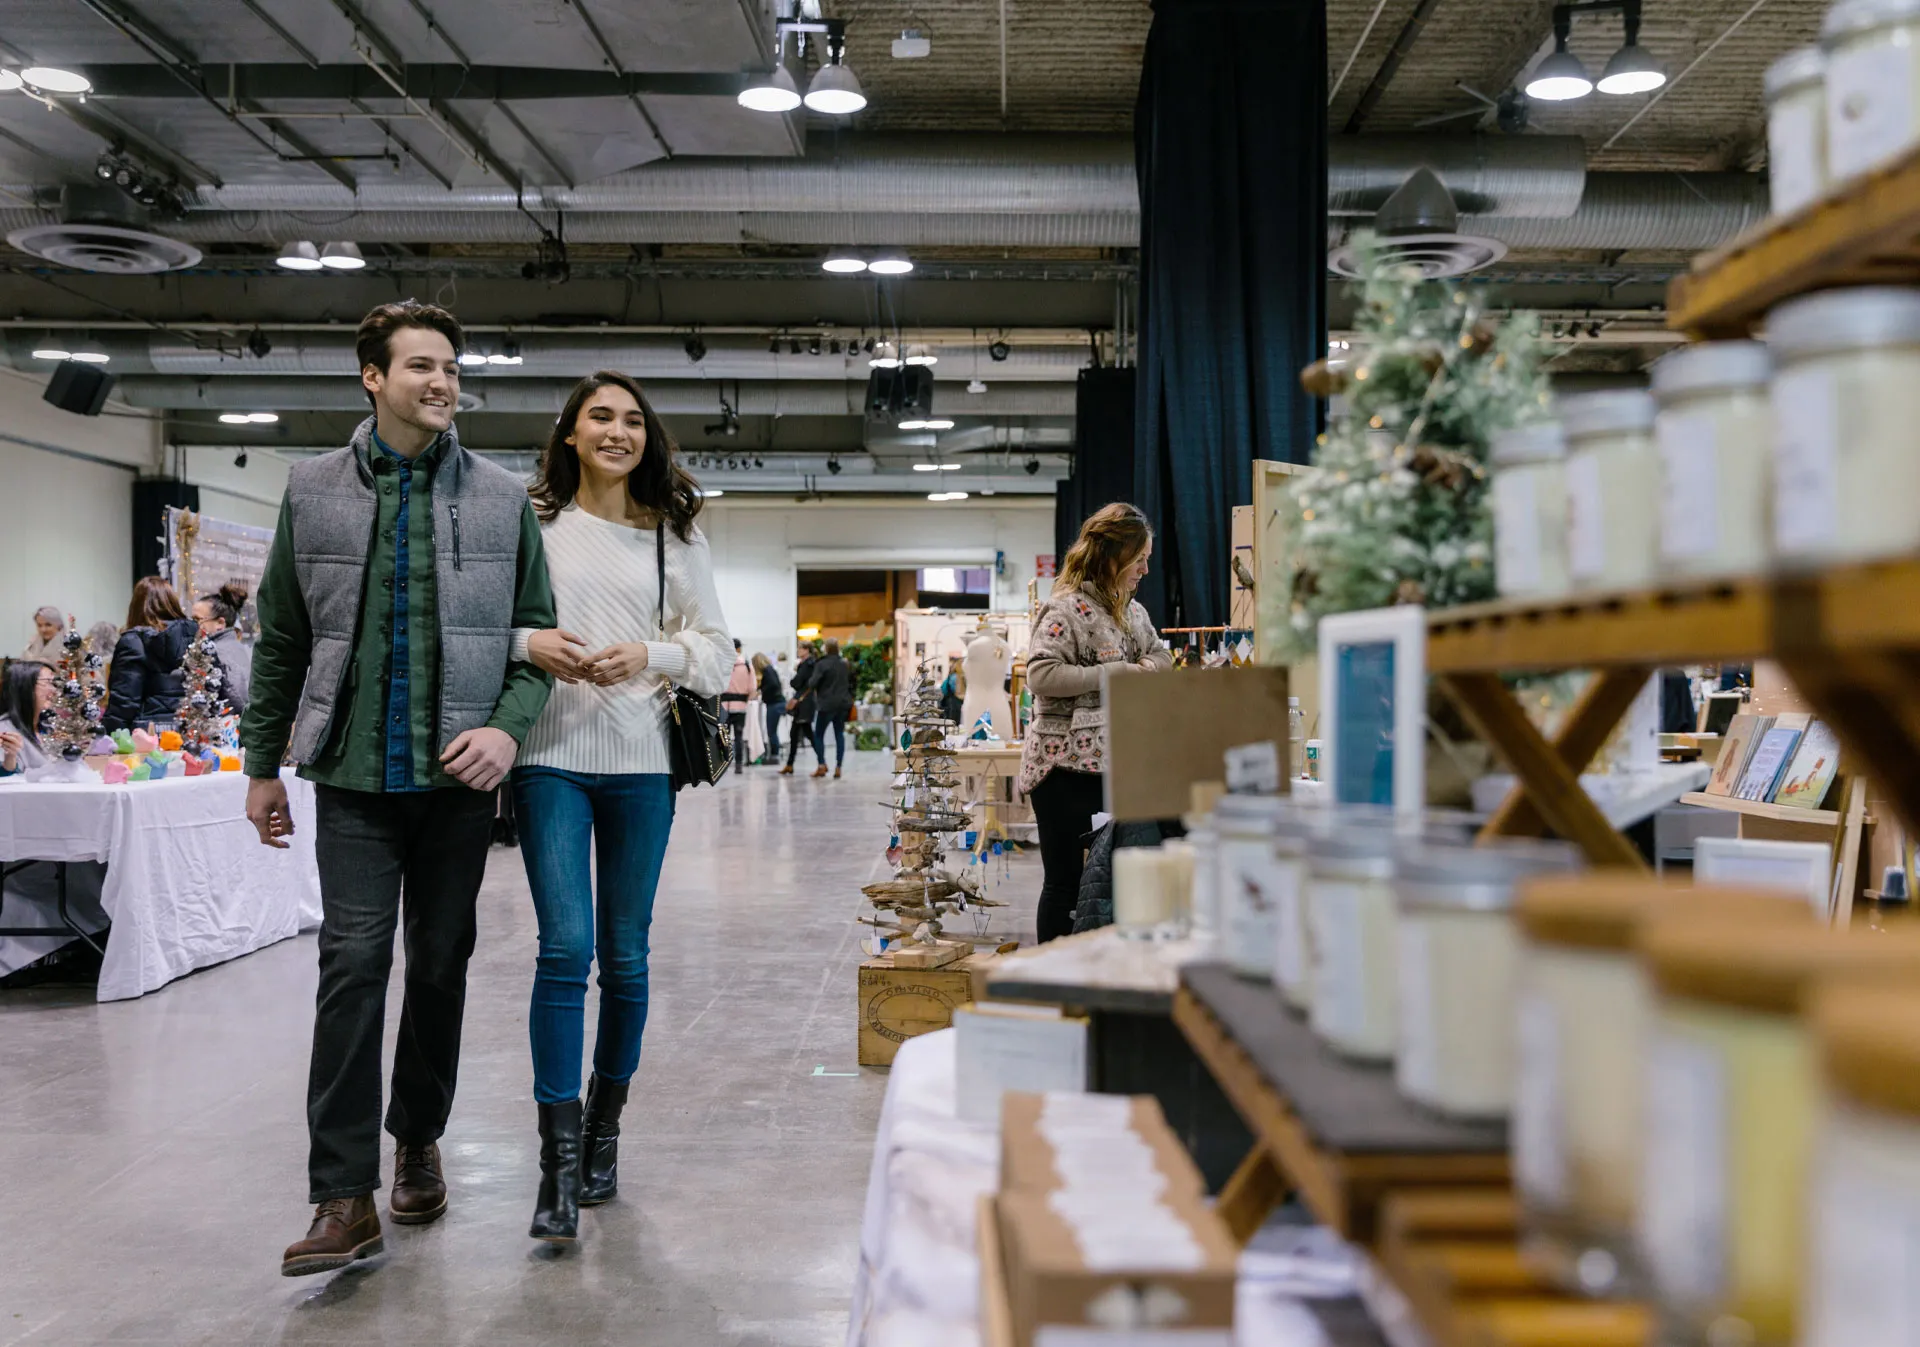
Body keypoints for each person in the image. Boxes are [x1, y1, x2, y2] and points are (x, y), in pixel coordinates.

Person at [240, 299, 557, 1278]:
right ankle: (343, 1196)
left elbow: (535, 641)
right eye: (422, 366)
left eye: (452, 369)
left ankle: (417, 1135)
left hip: (458, 786)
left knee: (440, 961)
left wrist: (507, 731)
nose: (442, 383)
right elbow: (284, 637)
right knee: (352, 965)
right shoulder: (313, 490)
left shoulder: (504, 501)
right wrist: (261, 765)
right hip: (354, 778)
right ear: (371, 377)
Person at [512, 370, 731, 1243]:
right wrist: (533, 642)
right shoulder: (533, 524)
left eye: (633, 419)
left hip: (643, 765)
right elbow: (488, 623)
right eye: (599, 416)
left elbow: (717, 655)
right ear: (569, 432)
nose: (617, 430)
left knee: (626, 958)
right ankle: (556, 1166)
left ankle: (604, 1133)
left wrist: (651, 652)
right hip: (549, 758)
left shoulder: (676, 536)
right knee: (565, 948)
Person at [1016, 503, 1170, 943]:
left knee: (1106, 886)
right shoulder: (1064, 610)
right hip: (1063, 771)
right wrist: (1115, 674)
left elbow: (1162, 655)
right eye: (1139, 558)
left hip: (1114, 770)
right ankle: (1057, 982)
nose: (1144, 568)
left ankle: (1094, 981)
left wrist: (1146, 667)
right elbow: (1041, 675)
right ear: (1113, 555)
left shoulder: (1133, 613)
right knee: (1065, 884)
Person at [104, 577, 199, 732]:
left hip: (146, 735)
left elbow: (125, 700)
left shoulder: (133, 641)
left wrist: (109, 736)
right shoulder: (194, 637)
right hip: (189, 732)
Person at [193, 581, 254, 719]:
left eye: (197, 620)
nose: (193, 625)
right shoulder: (237, 647)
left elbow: (238, 697)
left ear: (220, 623)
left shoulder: (218, 652)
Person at [809, 637, 854, 780]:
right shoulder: (844, 664)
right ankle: (838, 767)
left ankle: (821, 764)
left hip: (826, 704)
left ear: (826, 649)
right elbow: (852, 682)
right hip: (842, 704)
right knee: (839, 735)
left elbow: (812, 683)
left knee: (818, 735)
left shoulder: (822, 664)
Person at [0, 658, 54, 776]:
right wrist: (10, 759)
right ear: (25, 687)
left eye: (55, 683)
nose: (54, 690)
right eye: (48, 682)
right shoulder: (4, 730)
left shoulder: (48, 727)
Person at [780, 642, 823, 776]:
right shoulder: (809, 663)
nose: (798, 650)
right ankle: (790, 764)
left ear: (806, 650)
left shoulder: (807, 664)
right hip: (805, 703)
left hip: (804, 703)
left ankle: (822, 763)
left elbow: (797, 682)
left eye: (800, 648)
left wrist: (794, 679)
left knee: (808, 734)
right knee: (795, 734)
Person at [720, 638, 752, 776]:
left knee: (723, 736)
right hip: (740, 707)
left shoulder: (722, 663)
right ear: (739, 649)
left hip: (724, 707)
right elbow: (752, 688)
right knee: (738, 736)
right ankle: (738, 765)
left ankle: (723, 763)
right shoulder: (746, 665)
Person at [754, 652, 783, 764]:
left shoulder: (767, 671)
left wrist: (762, 691)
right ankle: (774, 755)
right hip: (776, 703)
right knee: (772, 731)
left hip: (774, 704)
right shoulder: (770, 670)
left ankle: (774, 756)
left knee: (772, 731)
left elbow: (772, 685)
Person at [939, 655, 965, 725]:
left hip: (951, 703)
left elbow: (943, 689)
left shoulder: (952, 677)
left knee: (951, 723)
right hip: (957, 703)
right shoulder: (960, 677)